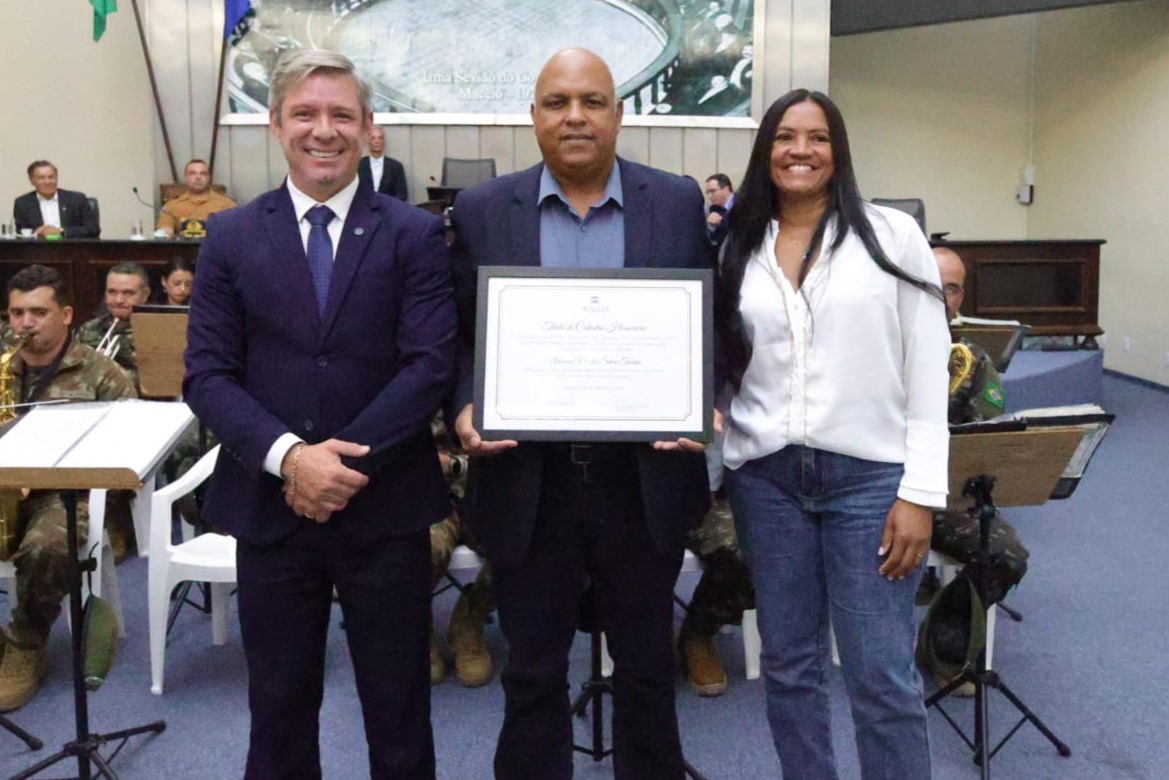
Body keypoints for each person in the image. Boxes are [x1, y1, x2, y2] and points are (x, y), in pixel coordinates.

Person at [183, 49, 456, 779]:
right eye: (305, 113)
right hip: (271, 510)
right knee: (278, 709)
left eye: (341, 114)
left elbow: (429, 365)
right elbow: (207, 375)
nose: (323, 130)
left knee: (399, 710)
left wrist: (334, 465)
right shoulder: (230, 236)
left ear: (368, 128)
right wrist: (291, 460)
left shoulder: (415, 234)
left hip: (387, 507)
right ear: (276, 125)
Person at [450, 48, 711, 780]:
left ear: (618, 115)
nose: (575, 117)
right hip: (531, 482)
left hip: (642, 481)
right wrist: (465, 401)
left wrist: (702, 399)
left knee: (647, 667)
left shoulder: (675, 202)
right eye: (557, 102)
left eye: (592, 101)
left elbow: (708, 321)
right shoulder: (481, 210)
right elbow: (458, 334)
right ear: (533, 115)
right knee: (532, 669)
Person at [717, 89, 950, 779]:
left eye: (817, 137)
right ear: (765, 151)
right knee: (789, 666)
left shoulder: (890, 235)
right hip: (767, 481)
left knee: (879, 673)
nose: (800, 150)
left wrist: (920, 492)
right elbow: (727, 363)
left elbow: (927, 366)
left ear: (837, 150)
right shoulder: (737, 244)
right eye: (785, 137)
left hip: (869, 483)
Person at [0, 265, 136, 712]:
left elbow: (128, 450)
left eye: (38, 312)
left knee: (48, 546)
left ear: (67, 314)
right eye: (16, 313)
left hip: (65, 493)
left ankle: (26, 642)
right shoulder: (3, 363)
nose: (25, 323)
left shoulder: (102, 373)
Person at [917, 246, 1029, 696]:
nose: (940, 296)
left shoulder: (973, 359)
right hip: (872, 491)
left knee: (1006, 555)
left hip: (944, 493)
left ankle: (944, 642)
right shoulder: (871, 348)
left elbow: (991, 439)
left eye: (951, 288)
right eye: (929, 283)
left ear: (960, 298)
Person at [75, 262, 152, 385]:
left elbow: (163, 381)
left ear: (145, 294)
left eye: (128, 293)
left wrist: (109, 370)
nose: (118, 300)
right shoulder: (88, 329)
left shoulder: (160, 331)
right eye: (112, 292)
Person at [13, 160, 100, 239]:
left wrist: (61, 232)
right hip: (38, 249)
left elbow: (93, 229)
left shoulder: (77, 199)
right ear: (32, 181)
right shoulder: (23, 203)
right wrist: (38, 232)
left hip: (72, 248)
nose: (47, 182)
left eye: (51, 177)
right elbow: (20, 233)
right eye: (41, 178)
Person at [156, 159, 238, 238]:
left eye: (203, 173)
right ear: (186, 177)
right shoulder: (171, 206)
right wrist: (166, 232)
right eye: (192, 173)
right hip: (183, 247)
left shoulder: (228, 205)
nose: (198, 177)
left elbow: (236, 233)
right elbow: (164, 233)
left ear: (209, 177)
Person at [357, 126, 409, 201]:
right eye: (373, 138)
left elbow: (402, 194)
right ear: (368, 141)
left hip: (389, 207)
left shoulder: (396, 167)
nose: (377, 141)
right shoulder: (358, 165)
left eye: (380, 138)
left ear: (384, 141)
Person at [704, 173, 734, 247]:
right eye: (708, 192)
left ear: (726, 189)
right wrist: (711, 227)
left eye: (713, 191)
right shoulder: (713, 209)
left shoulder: (742, 204)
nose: (709, 196)